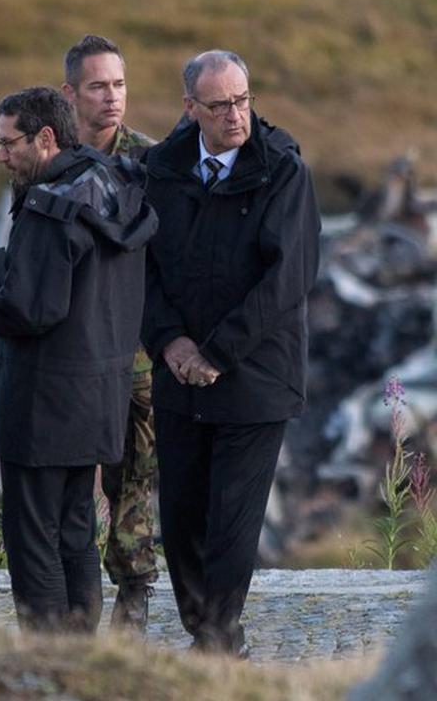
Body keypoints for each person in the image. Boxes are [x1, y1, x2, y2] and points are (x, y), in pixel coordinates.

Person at [141, 50, 320, 656]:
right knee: (182, 517)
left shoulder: (284, 171)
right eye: (219, 106)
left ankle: (219, 641)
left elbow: (287, 279)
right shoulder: (160, 171)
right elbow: (141, 269)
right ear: (190, 108)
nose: (234, 116)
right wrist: (170, 342)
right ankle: (206, 633)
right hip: (178, 372)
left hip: (255, 377)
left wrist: (217, 353)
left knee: (233, 521)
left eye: (242, 100)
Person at [0, 87, 157, 633]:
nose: (0, 156)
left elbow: (33, 308)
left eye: (9, 143)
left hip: (42, 404)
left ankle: (51, 660)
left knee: (35, 538)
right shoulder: (119, 186)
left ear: (46, 138)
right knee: (76, 532)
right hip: (101, 398)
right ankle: (80, 650)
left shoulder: (53, 206)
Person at [61, 34, 158, 630]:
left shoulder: (150, 160)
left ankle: (135, 590)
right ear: (71, 93)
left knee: (136, 474)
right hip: (71, 345)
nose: (112, 97)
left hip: (136, 346)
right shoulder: (52, 155)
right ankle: (72, 596)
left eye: (119, 85)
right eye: (98, 86)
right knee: (69, 478)